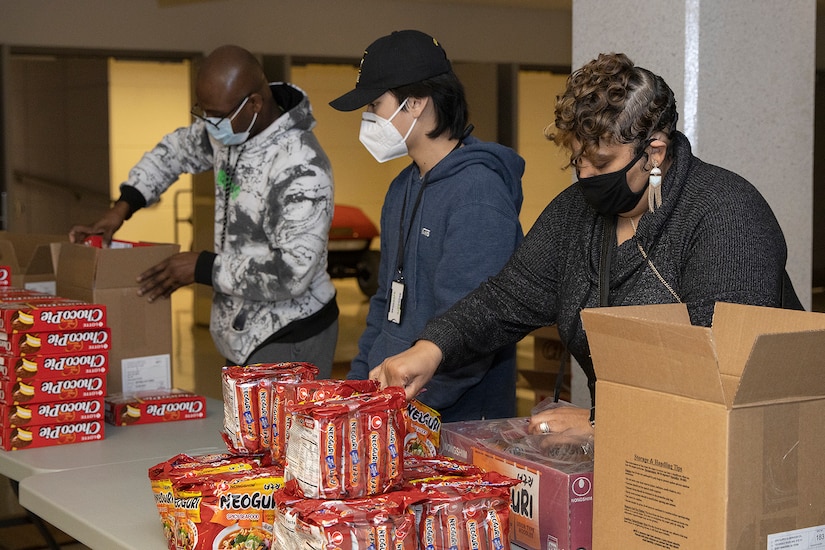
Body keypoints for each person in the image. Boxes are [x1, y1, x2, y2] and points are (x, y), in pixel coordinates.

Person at [371, 52, 798, 434]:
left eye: (602, 162)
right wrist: (432, 349)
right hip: (635, 450)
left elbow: (724, 373)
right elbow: (505, 299)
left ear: (655, 152)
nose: (586, 177)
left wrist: (599, 423)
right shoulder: (575, 214)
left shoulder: (726, 214)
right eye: (578, 160)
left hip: (749, 452)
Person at [69, 44, 339, 376]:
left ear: (254, 103)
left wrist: (203, 267)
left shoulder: (302, 167)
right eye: (204, 112)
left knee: (276, 429)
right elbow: (173, 152)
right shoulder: (233, 133)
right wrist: (122, 208)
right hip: (241, 333)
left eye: (218, 115)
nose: (210, 124)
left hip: (289, 332)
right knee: (241, 429)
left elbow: (292, 272)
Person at [329, 30, 525, 422]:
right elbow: (384, 304)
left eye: (375, 104)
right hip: (394, 411)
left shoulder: (478, 193)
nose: (368, 119)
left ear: (416, 102)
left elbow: (473, 328)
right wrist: (354, 393)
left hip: (454, 420)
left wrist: (407, 410)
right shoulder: (402, 187)